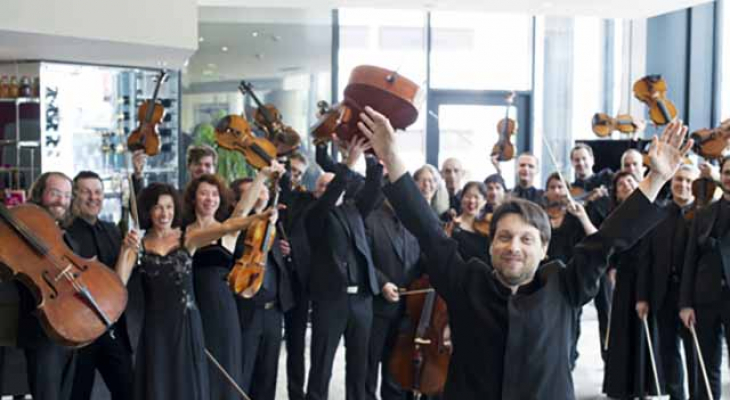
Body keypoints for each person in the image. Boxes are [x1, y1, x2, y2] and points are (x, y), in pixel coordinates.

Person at [358, 106, 691, 399]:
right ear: (491, 245)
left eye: (526, 239)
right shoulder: (466, 281)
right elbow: (429, 232)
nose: (513, 247)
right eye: (504, 237)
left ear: (544, 248)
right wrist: (390, 155)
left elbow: (607, 240)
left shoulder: (564, 283)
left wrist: (657, 178)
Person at [116, 183, 269, 400]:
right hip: (155, 326)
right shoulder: (139, 245)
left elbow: (227, 227)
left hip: (186, 322)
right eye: (158, 207)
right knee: (158, 382)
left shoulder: (187, 236)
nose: (164, 213)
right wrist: (125, 250)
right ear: (148, 211)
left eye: (169, 207)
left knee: (187, 384)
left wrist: (258, 218)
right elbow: (119, 283)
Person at [184, 165, 279, 400]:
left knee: (226, 366)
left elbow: (243, 208)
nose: (210, 199)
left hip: (222, 307)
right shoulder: (183, 232)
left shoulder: (228, 231)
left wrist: (263, 176)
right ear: (193, 198)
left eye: (215, 194)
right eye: (204, 193)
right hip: (191, 306)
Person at [305, 137, 383, 400]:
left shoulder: (353, 209)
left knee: (359, 368)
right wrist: (346, 166)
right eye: (323, 186)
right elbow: (329, 198)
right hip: (331, 300)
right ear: (318, 192)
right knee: (321, 366)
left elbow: (373, 190)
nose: (329, 189)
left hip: (362, 299)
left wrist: (374, 159)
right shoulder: (315, 214)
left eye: (332, 185)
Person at [66, 171, 133, 400]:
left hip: (111, 326)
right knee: (78, 393)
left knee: (127, 390)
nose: (93, 197)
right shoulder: (65, 234)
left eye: (97, 192)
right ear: (75, 196)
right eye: (86, 192)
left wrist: (129, 251)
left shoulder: (113, 231)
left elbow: (119, 278)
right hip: (80, 329)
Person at [636, 165, 699, 400]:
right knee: (668, 351)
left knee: (694, 353)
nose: (683, 184)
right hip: (662, 294)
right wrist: (642, 297)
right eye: (678, 179)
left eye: (688, 181)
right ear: (671, 183)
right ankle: (676, 396)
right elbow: (646, 260)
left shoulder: (703, 215)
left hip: (693, 297)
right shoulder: (658, 215)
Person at [13, 172, 77, 400]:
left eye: (67, 195)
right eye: (55, 193)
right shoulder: (22, 231)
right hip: (43, 331)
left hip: (70, 331)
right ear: (40, 194)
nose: (61, 200)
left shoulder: (67, 236)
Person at [233, 172, 295, 400]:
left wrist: (284, 250)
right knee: (244, 373)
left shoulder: (273, 225)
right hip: (247, 309)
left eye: (262, 190)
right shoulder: (235, 228)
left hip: (273, 310)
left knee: (268, 375)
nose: (261, 194)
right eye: (253, 192)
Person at [602, 171, 657, 399]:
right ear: (615, 192)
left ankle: (643, 386)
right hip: (624, 279)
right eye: (620, 184)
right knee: (623, 331)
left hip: (646, 277)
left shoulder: (652, 213)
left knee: (643, 332)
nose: (625, 186)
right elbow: (607, 247)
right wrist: (611, 267)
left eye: (630, 181)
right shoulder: (614, 217)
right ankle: (623, 387)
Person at [679, 155, 730, 400]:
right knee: (706, 368)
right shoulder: (704, 214)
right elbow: (690, 260)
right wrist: (686, 304)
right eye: (728, 172)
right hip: (705, 299)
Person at [364, 197, 421, 400]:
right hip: (378, 307)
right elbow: (364, 258)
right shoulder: (370, 218)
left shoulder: (414, 222)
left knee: (395, 369)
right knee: (368, 367)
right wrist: (382, 283)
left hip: (407, 310)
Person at [542, 172, 598, 370]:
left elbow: (596, 238)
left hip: (570, 277)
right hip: (544, 278)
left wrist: (582, 216)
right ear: (546, 192)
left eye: (560, 187)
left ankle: (568, 361)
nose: (556, 191)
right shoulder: (540, 215)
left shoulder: (575, 215)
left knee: (572, 322)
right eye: (552, 187)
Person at [449, 181, 490, 264]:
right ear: (461, 199)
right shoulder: (453, 226)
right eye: (467, 196)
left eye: (476, 197)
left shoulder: (489, 225)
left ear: (484, 201)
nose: (471, 201)